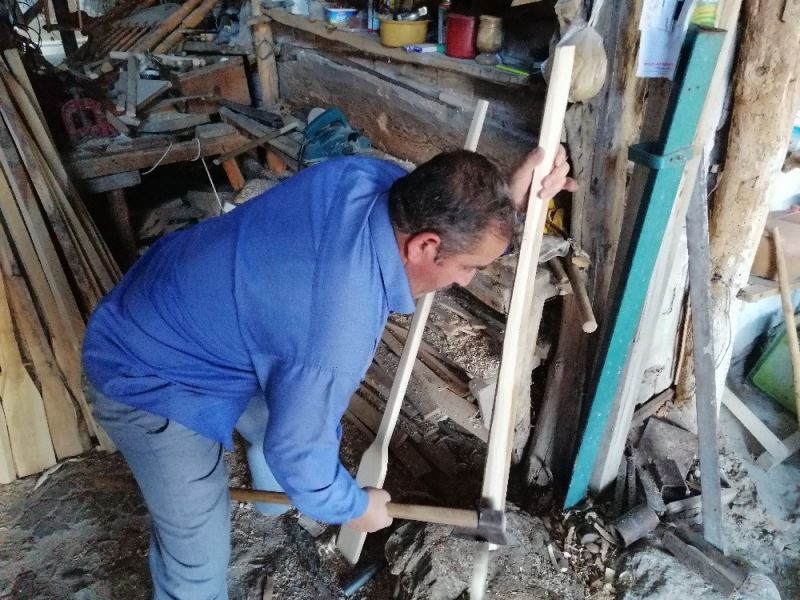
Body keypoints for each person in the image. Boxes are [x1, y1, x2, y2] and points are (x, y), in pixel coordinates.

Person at [82, 146, 575, 599]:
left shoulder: (369, 179)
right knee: (196, 556)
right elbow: (299, 451)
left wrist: (508, 207)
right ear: (426, 246)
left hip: (194, 298)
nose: (465, 280)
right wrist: (355, 508)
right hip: (146, 372)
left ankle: (276, 505)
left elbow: (457, 230)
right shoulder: (336, 322)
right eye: (468, 267)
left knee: (287, 418)